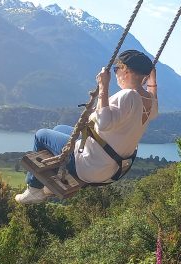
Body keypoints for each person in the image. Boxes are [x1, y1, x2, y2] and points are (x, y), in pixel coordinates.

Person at [15, 50, 159, 204]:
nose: (115, 73)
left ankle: (34, 189)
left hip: (91, 165)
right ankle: (53, 179)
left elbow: (104, 123)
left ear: (126, 70)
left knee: (41, 135)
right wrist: (152, 79)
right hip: (112, 168)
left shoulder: (128, 95)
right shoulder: (150, 101)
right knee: (60, 129)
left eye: (117, 69)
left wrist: (103, 86)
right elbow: (151, 93)